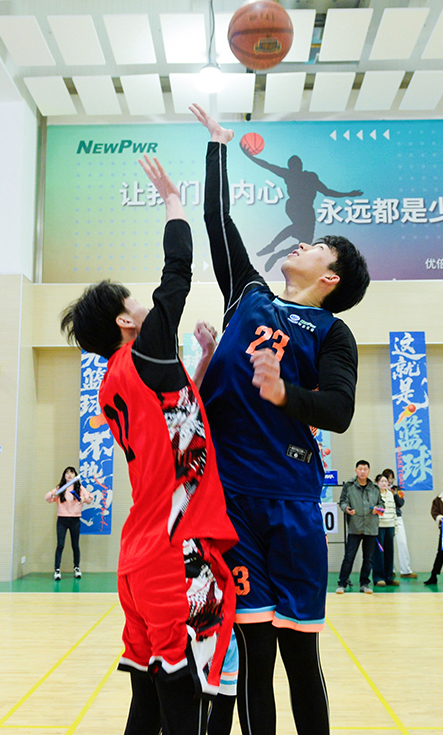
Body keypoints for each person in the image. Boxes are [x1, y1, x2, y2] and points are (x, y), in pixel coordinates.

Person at [190, 103, 370, 735]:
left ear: (330, 276)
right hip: (233, 501)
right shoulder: (247, 294)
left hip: (291, 501)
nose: (302, 243)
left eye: (315, 246)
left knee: (300, 657)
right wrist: (218, 146)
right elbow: (218, 220)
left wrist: (284, 394)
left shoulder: (332, 333)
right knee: (252, 659)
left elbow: (339, 411)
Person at [61, 154, 238, 735]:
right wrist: (173, 202)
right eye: (134, 302)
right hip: (173, 552)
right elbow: (177, 275)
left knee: (146, 696)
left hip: (136, 556)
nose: (146, 305)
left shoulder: (114, 381)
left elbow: (177, 424)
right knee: (185, 696)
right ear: (124, 322)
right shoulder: (143, 351)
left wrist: (203, 361)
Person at [240, 143, 362, 272]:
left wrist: (348, 194)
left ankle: (276, 253)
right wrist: (249, 156)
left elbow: (327, 192)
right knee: (296, 228)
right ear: (292, 166)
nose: (296, 166)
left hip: (306, 210)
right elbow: (267, 165)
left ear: (300, 165)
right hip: (295, 207)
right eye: (294, 164)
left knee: (303, 244)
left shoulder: (309, 176)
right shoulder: (290, 174)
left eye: (297, 163)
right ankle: (272, 247)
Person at [337, 461, 384, 595]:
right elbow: (342, 501)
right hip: (355, 526)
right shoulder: (349, 486)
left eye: (365, 469)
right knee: (349, 557)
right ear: (356, 470)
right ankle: (342, 583)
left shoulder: (375, 488)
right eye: (360, 469)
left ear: (368, 471)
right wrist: (346, 508)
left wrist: (378, 508)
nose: (363, 471)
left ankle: (364, 584)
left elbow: (382, 504)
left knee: (368, 558)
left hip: (371, 527)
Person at [44, 466, 93, 580]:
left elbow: (90, 498)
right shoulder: (60, 488)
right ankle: (57, 569)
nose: (69, 475)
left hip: (75, 520)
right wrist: (54, 493)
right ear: (64, 476)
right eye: (67, 473)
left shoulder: (79, 488)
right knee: (60, 545)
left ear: (75, 475)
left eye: (72, 473)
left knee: (75, 545)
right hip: (62, 520)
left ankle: (76, 568)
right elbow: (47, 498)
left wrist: (84, 498)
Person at [382, 467, 417, 579]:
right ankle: (389, 570)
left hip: (397, 517)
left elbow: (401, 503)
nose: (390, 481)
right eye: (388, 478)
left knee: (402, 542)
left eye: (391, 478)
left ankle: (406, 570)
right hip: (385, 518)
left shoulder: (397, 489)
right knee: (387, 545)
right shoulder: (379, 489)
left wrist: (395, 494)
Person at [372, 474, 399, 588]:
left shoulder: (390, 494)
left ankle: (389, 577)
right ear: (377, 483)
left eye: (385, 481)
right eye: (382, 481)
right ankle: (379, 578)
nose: (384, 483)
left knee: (389, 552)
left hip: (390, 526)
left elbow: (394, 511)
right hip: (379, 526)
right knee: (378, 553)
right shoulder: (374, 494)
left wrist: (395, 526)